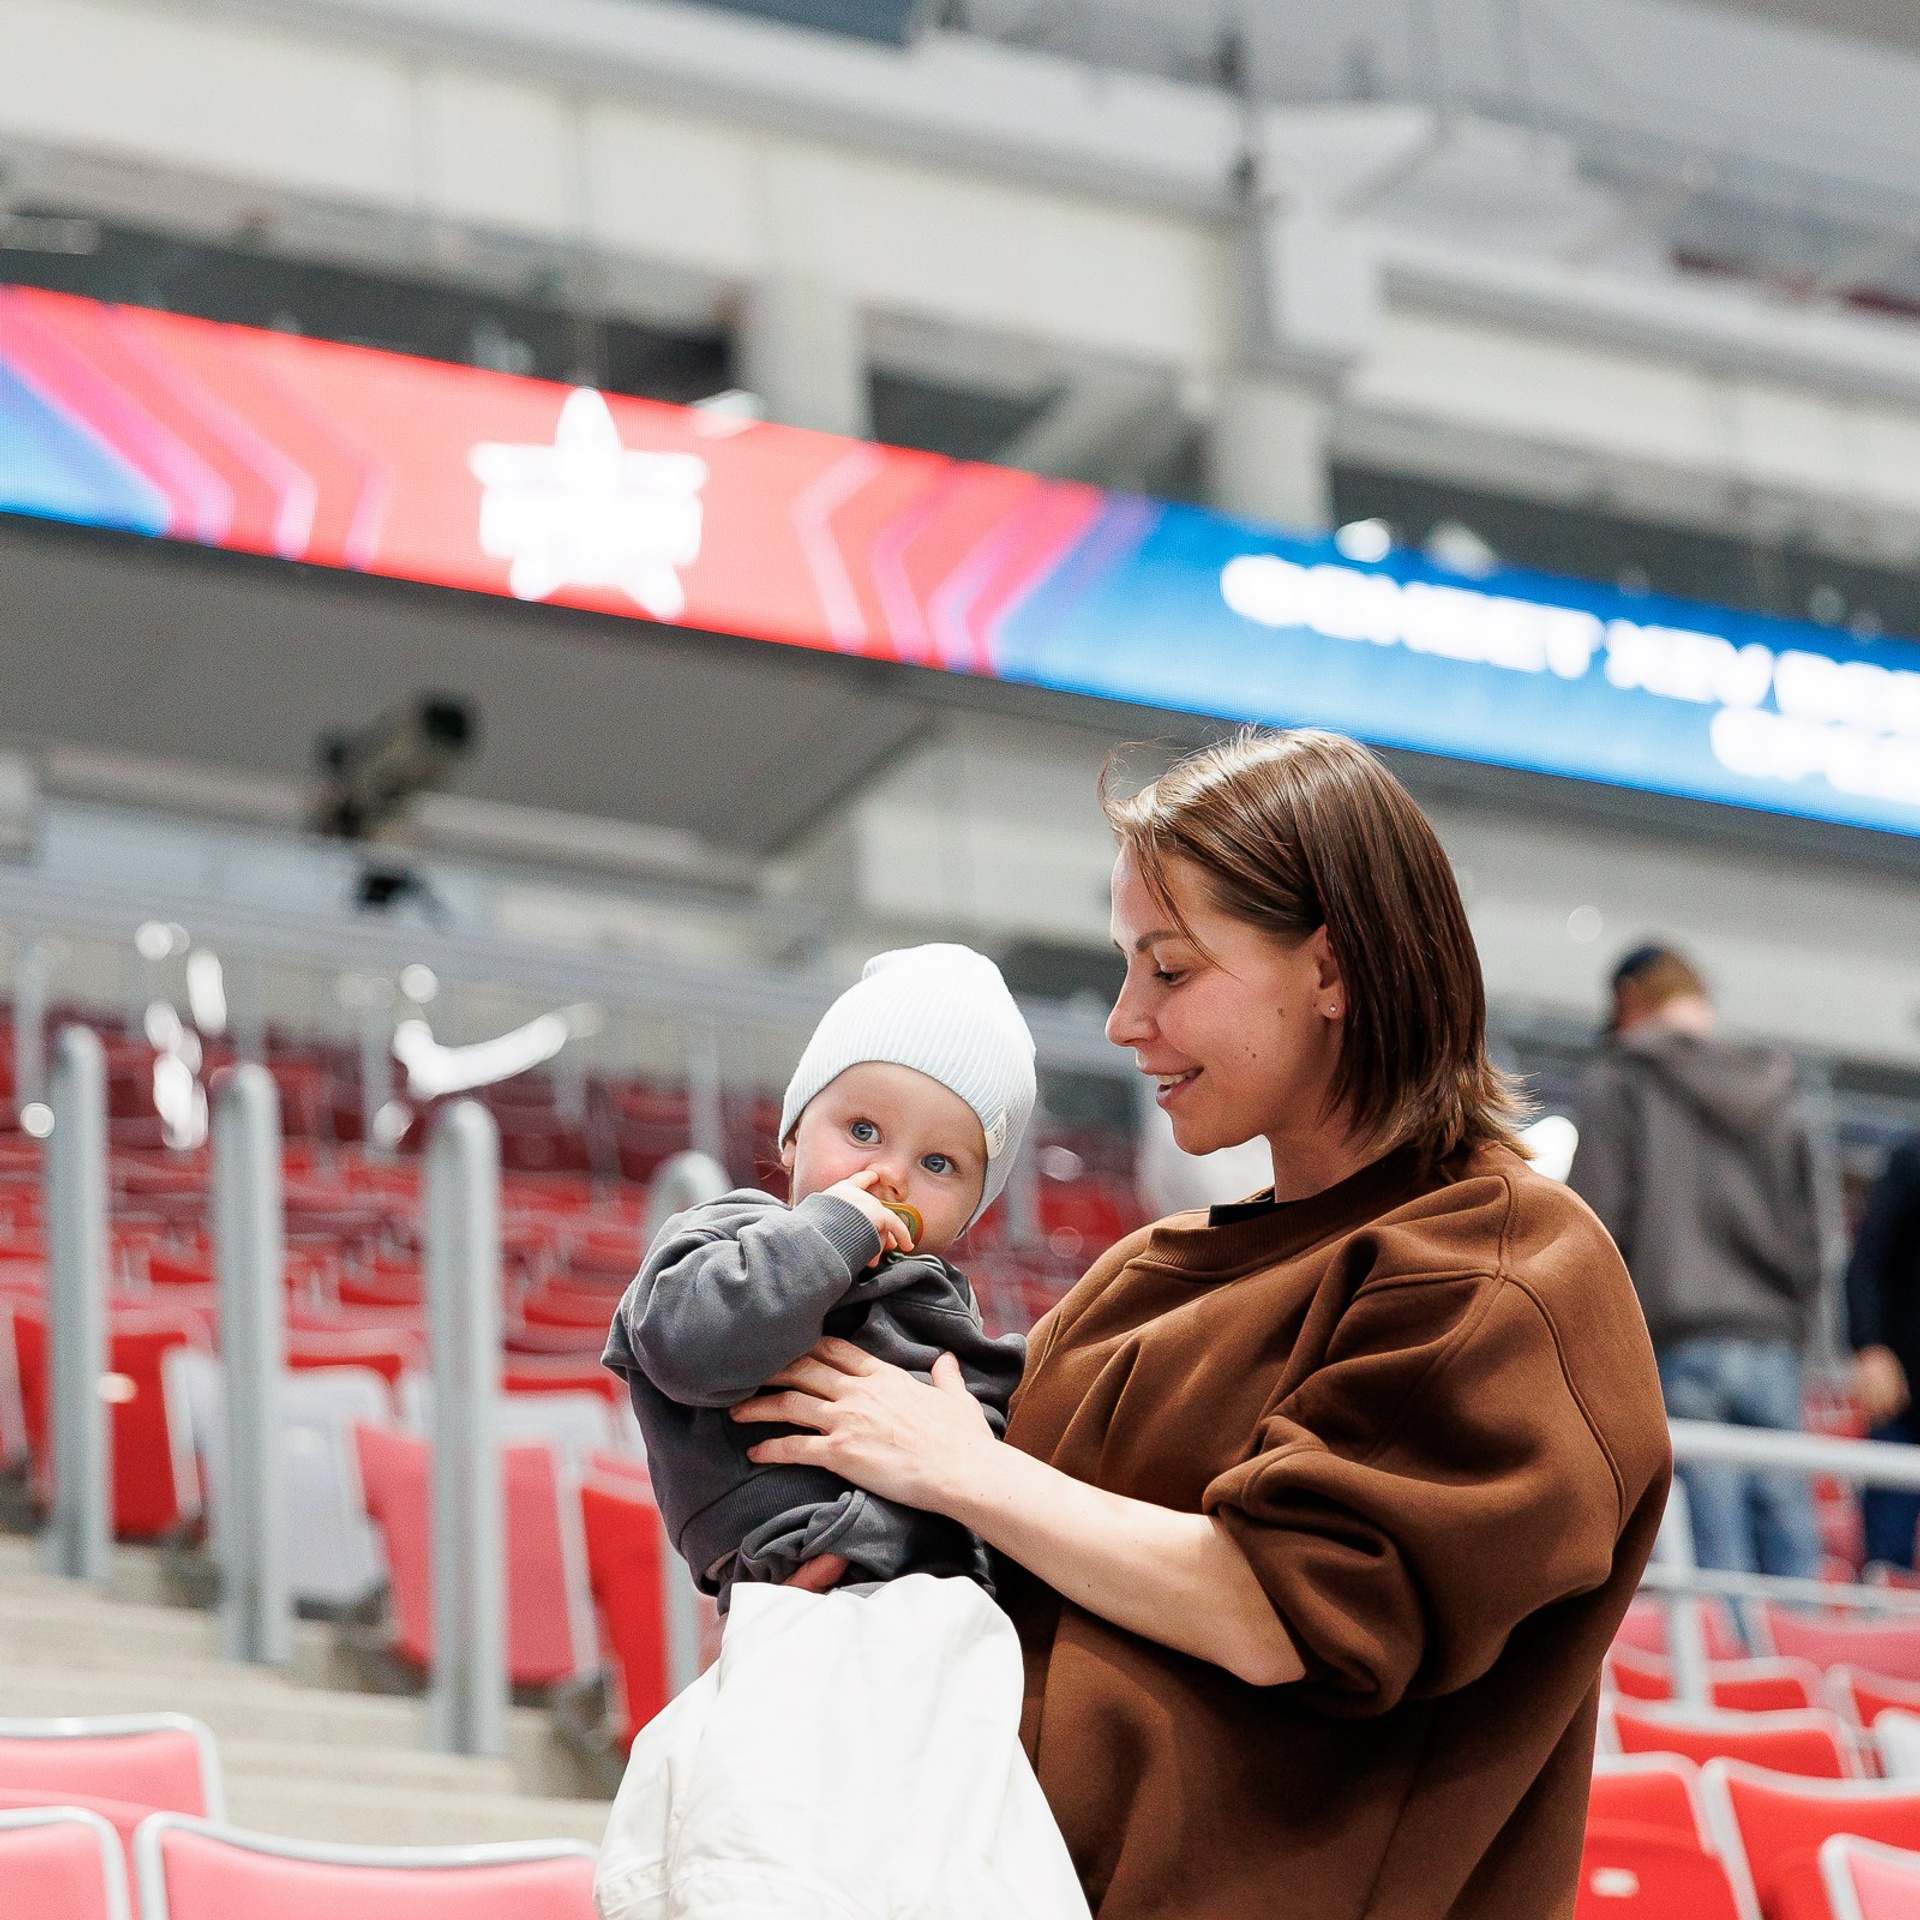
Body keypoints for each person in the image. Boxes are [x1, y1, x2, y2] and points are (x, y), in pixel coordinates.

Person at [732, 729, 1671, 1920]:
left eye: (1169, 971)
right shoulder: (1149, 1271)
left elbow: (1286, 1608)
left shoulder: (1499, 1266)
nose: (1126, 1021)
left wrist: (965, 1474)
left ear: (1332, 971)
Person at [597, 942, 1089, 1920]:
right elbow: (689, 1345)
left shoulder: (937, 1302)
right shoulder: (726, 1236)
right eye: (861, 1129)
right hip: (808, 1610)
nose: (890, 1176)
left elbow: (1001, 1435)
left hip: (938, 1631)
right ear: (791, 1133)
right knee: (766, 1875)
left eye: (939, 1163)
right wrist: (833, 1230)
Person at [1570, 944, 1824, 1585]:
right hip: (1771, 1341)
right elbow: (1811, 1232)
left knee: (1707, 1555)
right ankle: (1796, 1680)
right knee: (1788, 1540)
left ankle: (1730, 1684)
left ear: (1628, 1000)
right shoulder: (1776, 1084)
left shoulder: (1618, 1080)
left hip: (1674, 1339)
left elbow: (1597, 1228)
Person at [1846, 1134, 1920, 1568]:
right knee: (1885, 1565)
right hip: (1904, 1396)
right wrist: (1871, 1347)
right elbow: (1868, 1261)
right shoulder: (1913, 1157)